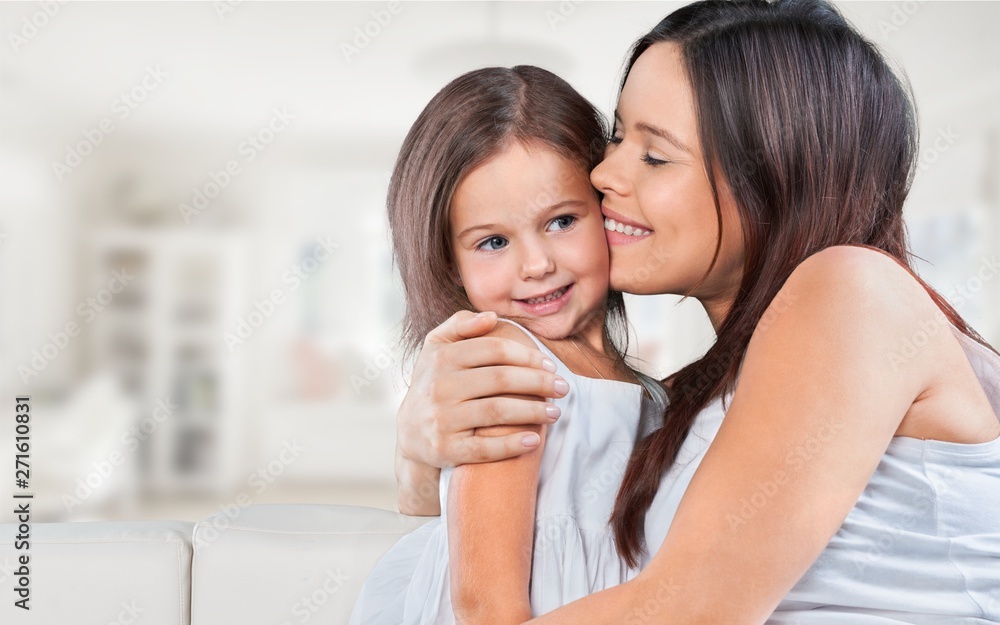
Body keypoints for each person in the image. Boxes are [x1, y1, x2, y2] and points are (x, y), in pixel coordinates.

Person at [393, 1, 1000, 623]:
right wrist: (419, 458)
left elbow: (687, 609)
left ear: (774, 175)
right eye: (619, 136)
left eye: (655, 156)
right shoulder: (685, 401)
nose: (603, 173)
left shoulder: (854, 291)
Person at [348, 65, 668, 625]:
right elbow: (486, 606)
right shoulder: (502, 363)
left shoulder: (650, 393)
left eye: (562, 221)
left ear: (607, 212)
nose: (537, 265)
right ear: (451, 263)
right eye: (493, 241)